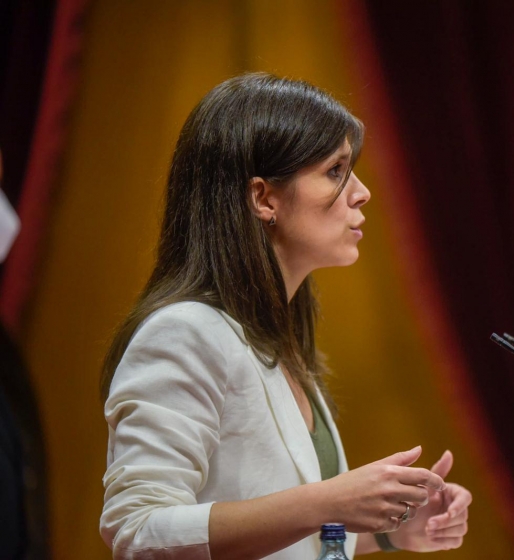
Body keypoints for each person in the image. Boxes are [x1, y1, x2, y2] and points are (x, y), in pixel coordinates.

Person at [99, 73, 472, 559]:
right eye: (336, 171)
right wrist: (327, 501)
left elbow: (290, 537)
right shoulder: (183, 333)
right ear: (263, 199)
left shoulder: (276, 342)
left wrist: (389, 530)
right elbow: (138, 531)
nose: (361, 193)